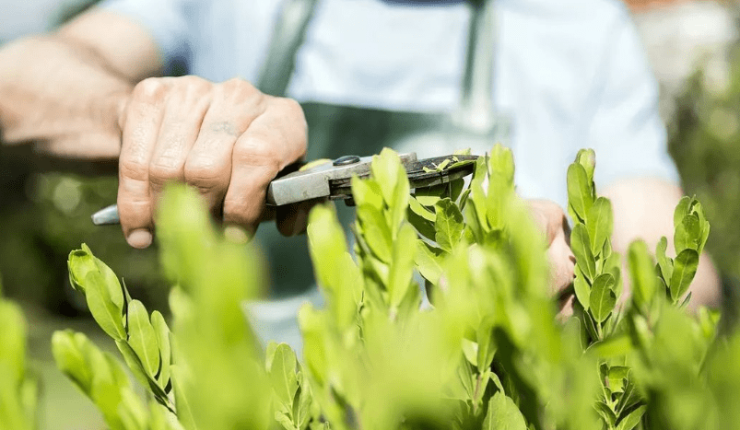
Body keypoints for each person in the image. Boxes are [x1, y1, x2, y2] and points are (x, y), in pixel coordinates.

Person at [0, 0, 721, 341]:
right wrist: (138, 116)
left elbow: (678, 263)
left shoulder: (581, 22)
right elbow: (16, 81)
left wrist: (590, 280)